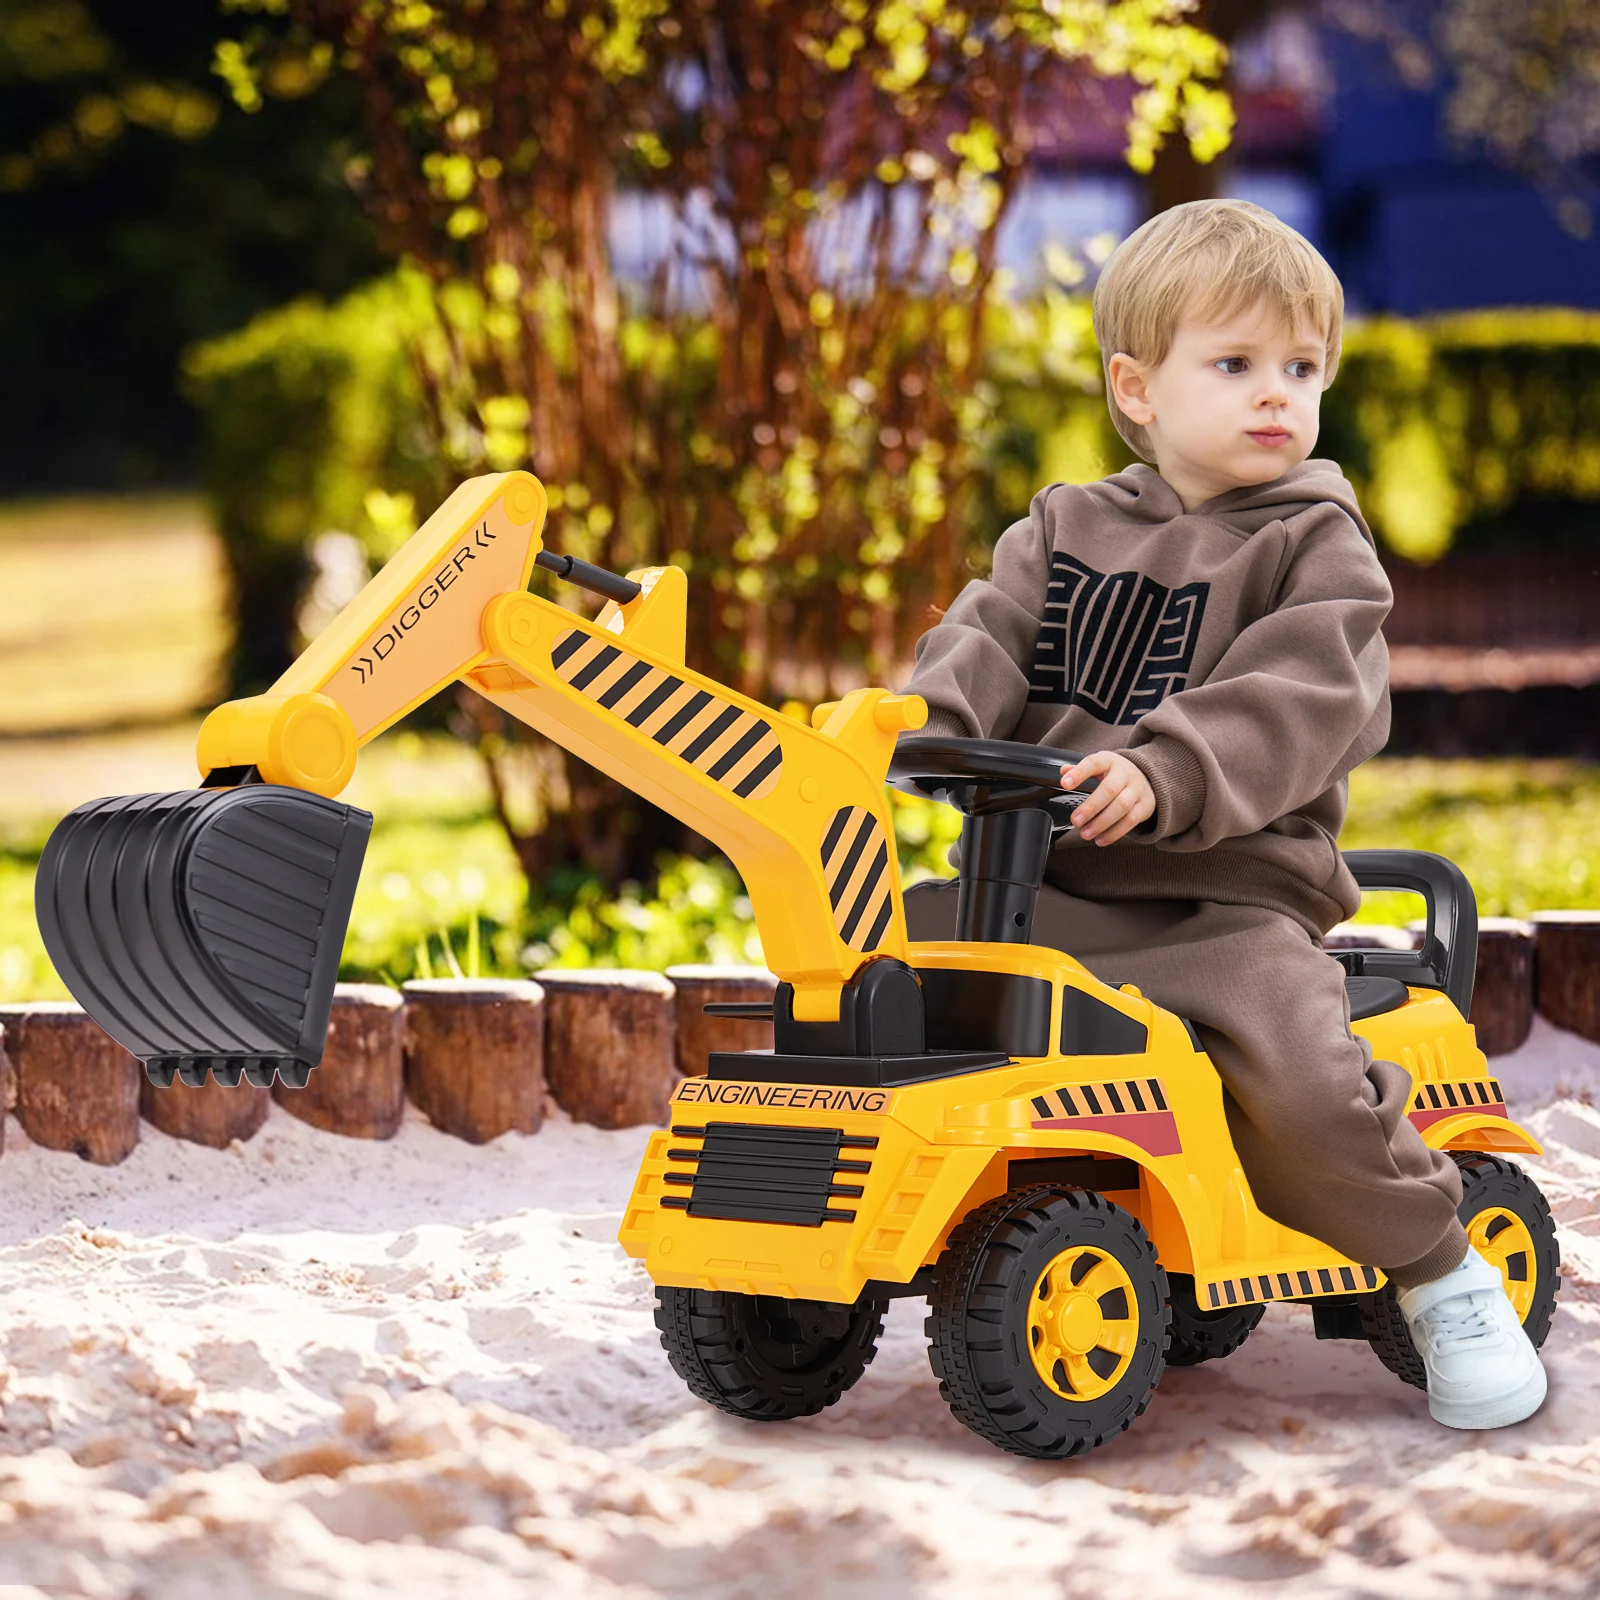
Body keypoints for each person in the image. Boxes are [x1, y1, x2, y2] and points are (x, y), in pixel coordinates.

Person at [898, 198, 1546, 1430]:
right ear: (1136, 389)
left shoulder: (1319, 547)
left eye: (1300, 368)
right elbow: (982, 634)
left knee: (1297, 1084)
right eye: (1236, 364)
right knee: (883, 976)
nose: (1276, 396)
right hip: (1040, 890)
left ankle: (1438, 1269)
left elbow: (1302, 693)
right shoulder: (1064, 525)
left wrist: (1168, 767)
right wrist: (917, 722)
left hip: (1225, 899)